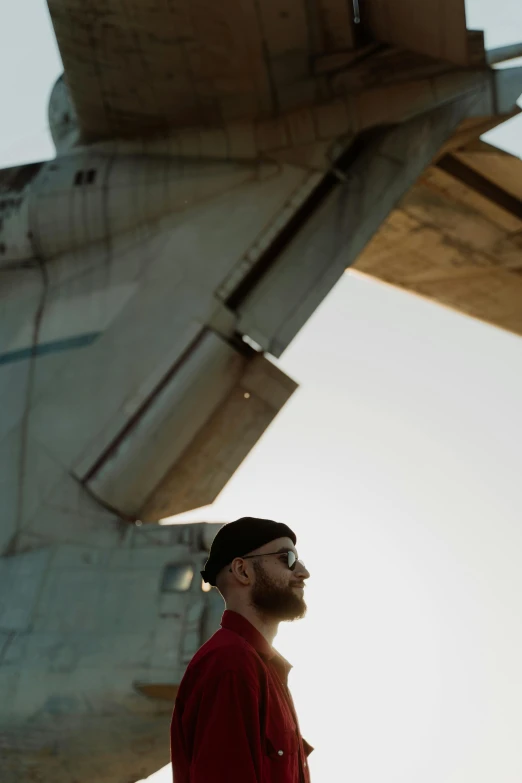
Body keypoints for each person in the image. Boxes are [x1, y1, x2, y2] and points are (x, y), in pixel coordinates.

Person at [170, 516, 313, 782]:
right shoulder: (230, 665)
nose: (303, 572)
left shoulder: (263, 669)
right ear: (243, 571)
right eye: (288, 558)